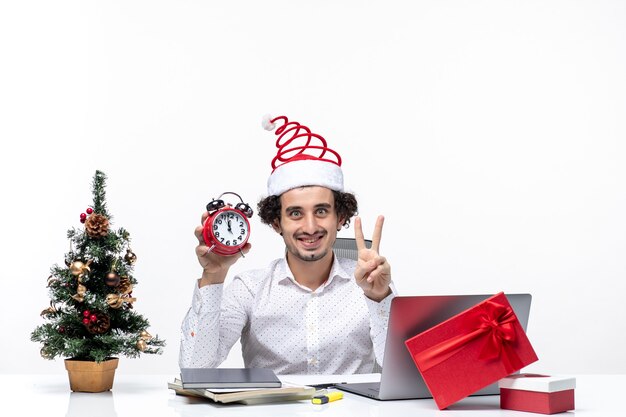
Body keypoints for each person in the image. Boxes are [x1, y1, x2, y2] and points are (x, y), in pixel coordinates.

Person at [179, 115, 396, 374]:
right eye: (295, 213)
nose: (310, 226)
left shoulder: (371, 284)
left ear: (340, 217)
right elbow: (195, 369)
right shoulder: (249, 290)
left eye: (321, 211)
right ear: (276, 222)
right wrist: (213, 275)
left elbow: (399, 370)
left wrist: (379, 298)